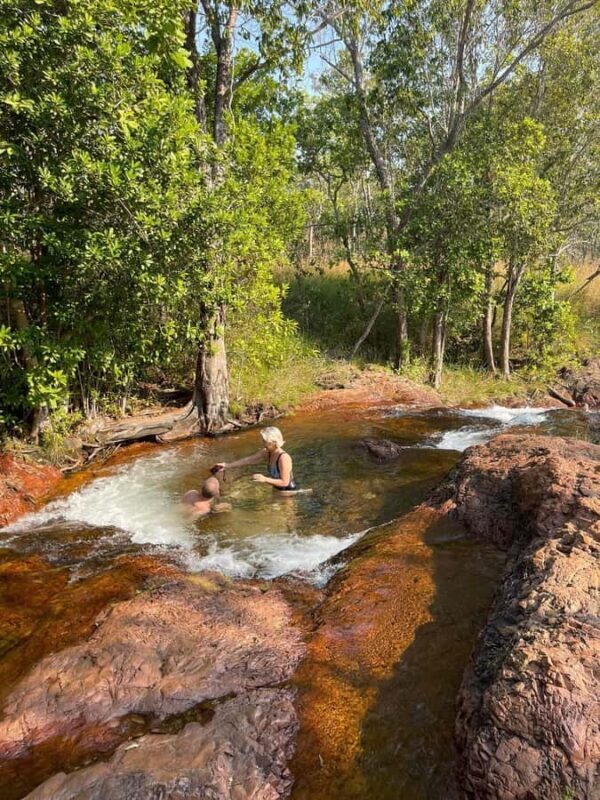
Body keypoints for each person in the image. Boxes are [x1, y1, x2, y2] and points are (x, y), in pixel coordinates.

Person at [212, 426, 298, 492]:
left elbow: (285, 482)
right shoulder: (267, 452)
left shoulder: (283, 458)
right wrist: (227, 465)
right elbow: (249, 460)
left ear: (274, 442)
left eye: (265, 442)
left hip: (288, 492)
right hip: (276, 490)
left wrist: (264, 479)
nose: (262, 443)